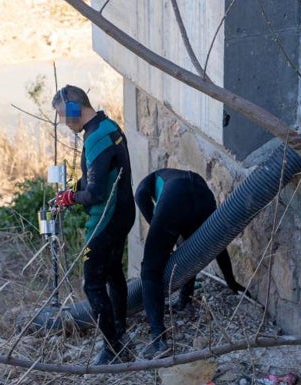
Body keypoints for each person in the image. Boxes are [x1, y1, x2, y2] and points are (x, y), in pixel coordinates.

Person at [51, 85, 136, 365]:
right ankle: (120, 333)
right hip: (123, 213)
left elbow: (97, 193)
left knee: (93, 284)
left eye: (65, 115)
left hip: (105, 219)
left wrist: (71, 197)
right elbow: (99, 179)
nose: (64, 122)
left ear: (75, 108)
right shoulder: (108, 126)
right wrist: (74, 190)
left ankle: (113, 350)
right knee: (113, 274)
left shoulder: (96, 138)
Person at [135, 168, 247, 359]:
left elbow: (142, 200)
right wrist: (231, 281)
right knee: (191, 249)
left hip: (175, 198)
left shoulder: (146, 186)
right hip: (204, 197)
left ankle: (158, 340)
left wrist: (160, 234)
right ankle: (184, 302)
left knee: (150, 270)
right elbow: (217, 242)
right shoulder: (172, 176)